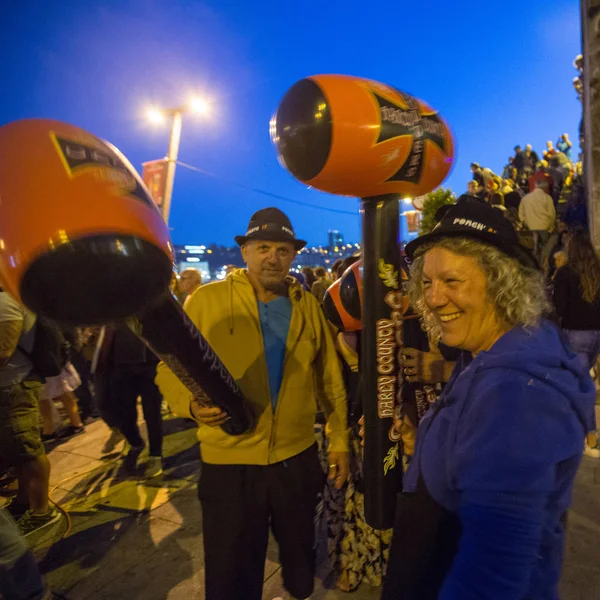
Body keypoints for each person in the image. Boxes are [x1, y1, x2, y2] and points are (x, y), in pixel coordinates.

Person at [379, 199, 595, 600]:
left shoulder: (514, 394)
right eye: (426, 282)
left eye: (452, 282)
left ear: (501, 284)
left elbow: (493, 573)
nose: (432, 298)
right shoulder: (485, 352)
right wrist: (426, 445)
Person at [156, 207, 349, 600]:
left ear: (293, 256)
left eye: (282, 249)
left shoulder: (306, 305)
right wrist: (190, 406)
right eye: (263, 247)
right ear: (244, 252)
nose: (272, 257)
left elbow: (329, 378)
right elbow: (168, 369)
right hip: (230, 461)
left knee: (299, 558)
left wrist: (340, 438)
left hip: (297, 457)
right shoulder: (206, 300)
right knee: (230, 568)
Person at [0, 289, 60, 536]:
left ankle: (41, 513)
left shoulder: (3, 302)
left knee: (27, 448)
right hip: (12, 385)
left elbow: (3, 352)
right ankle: (25, 502)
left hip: (14, 385)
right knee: (18, 449)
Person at [553, 228, 600, 458]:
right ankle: (583, 431)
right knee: (581, 382)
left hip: (575, 335)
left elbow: (558, 308)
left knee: (581, 385)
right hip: (595, 336)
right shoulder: (596, 271)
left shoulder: (565, 273)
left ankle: (589, 433)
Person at [97, 324, 164, 477]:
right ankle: (135, 443)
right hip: (119, 365)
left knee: (152, 414)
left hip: (150, 363)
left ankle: (155, 455)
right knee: (124, 413)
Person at [518, 181, 556, 262]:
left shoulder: (526, 198)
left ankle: (534, 262)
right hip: (544, 226)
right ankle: (543, 262)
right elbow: (552, 214)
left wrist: (525, 222)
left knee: (533, 247)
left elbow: (521, 213)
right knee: (544, 246)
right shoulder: (547, 197)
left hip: (530, 226)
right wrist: (550, 225)